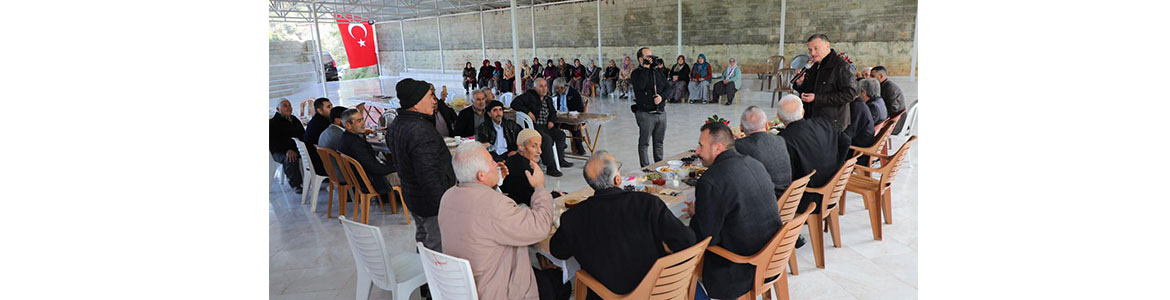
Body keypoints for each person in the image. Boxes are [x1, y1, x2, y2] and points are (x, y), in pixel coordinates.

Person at [550, 150, 697, 299]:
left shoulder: (573, 218)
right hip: (659, 291)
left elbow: (558, 251)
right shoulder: (647, 203)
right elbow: (687, 240)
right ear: (617, 180)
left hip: (609, 294)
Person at [438, 142, 566, 300]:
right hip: (496, 289)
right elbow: (540, 227)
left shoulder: (447, 197)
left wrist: (494, 185)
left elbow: (479, 211)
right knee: (559, 282)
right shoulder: (495, 205)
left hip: (463, 285)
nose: (497, 164)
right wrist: (539, 188)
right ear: (481, 175)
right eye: (491, 161)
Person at [684, 122, 781, 300]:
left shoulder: (710, 180)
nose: (697, 151)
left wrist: (696, 215)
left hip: (739, 270)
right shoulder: (754, 163)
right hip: (771, 259)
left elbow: (704, 238)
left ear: (718, 148)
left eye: (701, 145)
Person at [385, 78, 457, 251]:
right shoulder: (421, 131)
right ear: (416, 103)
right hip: (431, 202)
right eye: (431, 96)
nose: (435, 101)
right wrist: (443, 207)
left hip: (412, 195)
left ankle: (422, 268)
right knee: (437, 244)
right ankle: (433, 277)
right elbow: (429, 175)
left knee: (423, 237)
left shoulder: (398, 124)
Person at [776, 94, 850, 215]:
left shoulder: (783, 139)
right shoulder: (823, 123)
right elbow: (846, 140)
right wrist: (838, 166)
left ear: (779, 117)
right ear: (803, 111)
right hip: (833, 190)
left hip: (809, 200)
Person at [793, 34, 859, 132]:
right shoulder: (815, 66)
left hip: (832, 124)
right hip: (813, 120)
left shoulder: (842, 66)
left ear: (827, 45)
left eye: (816, 48)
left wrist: (817, 98)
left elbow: (850, 94)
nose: (813, 53)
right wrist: (800, 83)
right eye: (810, 50)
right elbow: (808, 90)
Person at [509, 78, 571, 176]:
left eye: (545, 86)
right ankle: (551, 167)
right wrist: (528, 112)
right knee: (546, 140)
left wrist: (551, 120)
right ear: (535, 88)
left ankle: (560, 159)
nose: (544, 89)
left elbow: (553, 112)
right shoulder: (529, 96)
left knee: (560, 135)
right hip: (534, 127)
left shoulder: (548, 99)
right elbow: (514, 103)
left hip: (546, 126)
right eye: (541, 86)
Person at [734, 106, 793, 198]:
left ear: (741, 128)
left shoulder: (739, 146)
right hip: (785, 200)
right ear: (766, 125)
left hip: (766, 203)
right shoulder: (780, 140)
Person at [337, 108, 398, 196]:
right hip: (375, 181)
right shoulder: (355, 143)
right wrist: (397, 168)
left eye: (362, 119)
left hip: (367, 179)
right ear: (348, 125)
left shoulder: (347, 138)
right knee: (412, 172)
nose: (363, 123)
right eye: (359, 121)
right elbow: (375, 168)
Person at [630, 47, 669, 167]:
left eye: (652, 57)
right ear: (641, 59)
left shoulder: (657, 72)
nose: (651, 60)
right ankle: (646, 168)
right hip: (645, 114)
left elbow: (668, 87)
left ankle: (659, 166)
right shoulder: (636, 73)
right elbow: (640, 86)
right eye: (648, 57)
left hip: (661, 113)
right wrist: (645, 68)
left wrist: (661, 97)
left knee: (659, 142)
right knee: (644, 143)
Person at [500, 129, 551, 205]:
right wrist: (554, 195)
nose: (540, 151)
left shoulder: (515, 160)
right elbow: (532, 200)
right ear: (521, 147)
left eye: (540, 146)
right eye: (534, 146)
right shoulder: (522, 168)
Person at [270, 98, 305, 193]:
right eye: (285, 105)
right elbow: (273, 143)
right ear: (278, 109)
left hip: (296, 148)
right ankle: (296, 185)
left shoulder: (294, 119)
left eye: (289, 105)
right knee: (290, 158)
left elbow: (302, 134)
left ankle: (318, 175)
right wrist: (287, 151)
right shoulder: (272, 123)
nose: (288, 107)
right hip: (280, 151)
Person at [551, 78, 587, 155]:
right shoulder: (558, 94)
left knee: (575, 128)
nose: (557, 91)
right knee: (551, 126)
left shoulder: (574, 94)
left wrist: (577, 121)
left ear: (563, 87)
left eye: (558, 89)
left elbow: (580, 110)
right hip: (561, 117)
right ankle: (560, 146)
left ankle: (580, 149)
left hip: (573, 118)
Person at [302, 97, 333, 176]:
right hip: (320, 163)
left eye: (331, 106)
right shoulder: (321, 123)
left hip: (316, 159)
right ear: (319, 110)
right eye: (328, 107)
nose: (332, 109)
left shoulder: (319, 119)